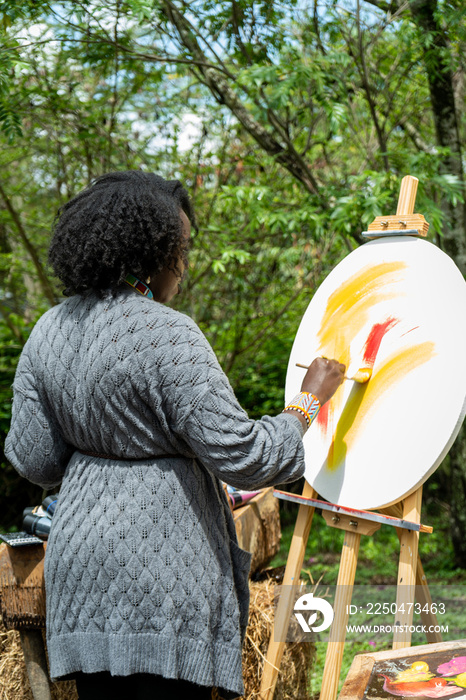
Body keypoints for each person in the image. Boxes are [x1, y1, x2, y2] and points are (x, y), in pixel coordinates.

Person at [5, 171, 345, 700]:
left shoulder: (49, 329)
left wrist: (99, 440)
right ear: (149, 252)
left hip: (81, 576)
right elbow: (247, 457)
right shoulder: (170, 333)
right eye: (179, 250)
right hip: (162, 580)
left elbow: (35, 460)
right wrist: (307, 402)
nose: (183, 267)